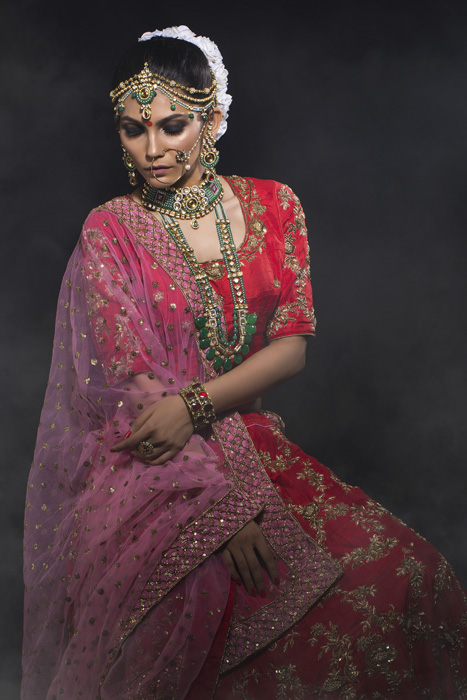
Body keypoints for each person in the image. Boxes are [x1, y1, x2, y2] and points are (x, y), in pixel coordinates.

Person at [22, 25, 467, 700]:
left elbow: (291, 347)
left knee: (408, 576)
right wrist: (220, 513)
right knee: (205, 599)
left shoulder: (275, 205)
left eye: (172, 126)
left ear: (213, 119)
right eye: (133, 131)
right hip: (150, 464)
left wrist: (198, 405)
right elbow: (136, 383)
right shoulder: (110, 229)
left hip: (249, 441)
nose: (152, 150)